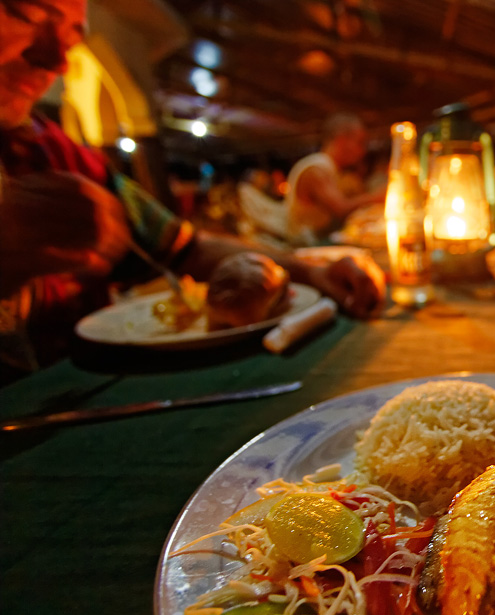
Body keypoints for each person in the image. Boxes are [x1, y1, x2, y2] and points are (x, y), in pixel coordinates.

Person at [0, 0, 385, 369]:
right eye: (29, 14)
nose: (57, 61)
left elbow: (186, 248)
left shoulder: (57, 156)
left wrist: (310, 273)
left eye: (70, 39)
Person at [284, 112, 384, 243]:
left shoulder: (331, 168)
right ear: (342, 140)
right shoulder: (316, 168)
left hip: (318, 241)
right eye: (360, 142)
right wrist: (380, 196)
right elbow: (341, 209)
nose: (363, 150)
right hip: (306, 246)